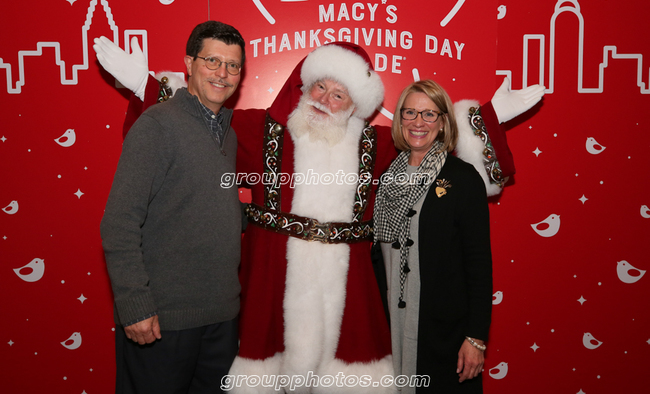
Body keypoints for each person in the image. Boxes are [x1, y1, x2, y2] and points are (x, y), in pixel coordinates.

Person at [95, 38, 543, 393]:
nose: (327, 99)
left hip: (351, 295)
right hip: (270, 287)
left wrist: (490, 117)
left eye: (339, 93)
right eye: (320, 87)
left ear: (356, 104)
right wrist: (145, 85)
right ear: (303, 86)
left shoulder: (377, 144)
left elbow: (433, 143)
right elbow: (195, 120)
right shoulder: (260, 130)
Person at [99, 20, 245, 394]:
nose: (223, 73)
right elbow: (119, 222)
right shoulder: (158, 125)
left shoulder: (227, 134)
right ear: (189, 63)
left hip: (221, 319)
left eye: (232, 65)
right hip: (163, 321)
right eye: (212, 61)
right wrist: (135, 306)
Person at [374, 80, 492, 393]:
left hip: (444, 334)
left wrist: (476, 338)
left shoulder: (463, 179)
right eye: (410, 112)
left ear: (442, 123)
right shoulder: (386, 178)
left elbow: (478, 265)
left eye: (429, 114)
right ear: (400, 119)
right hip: (389, 327)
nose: (418, 122)